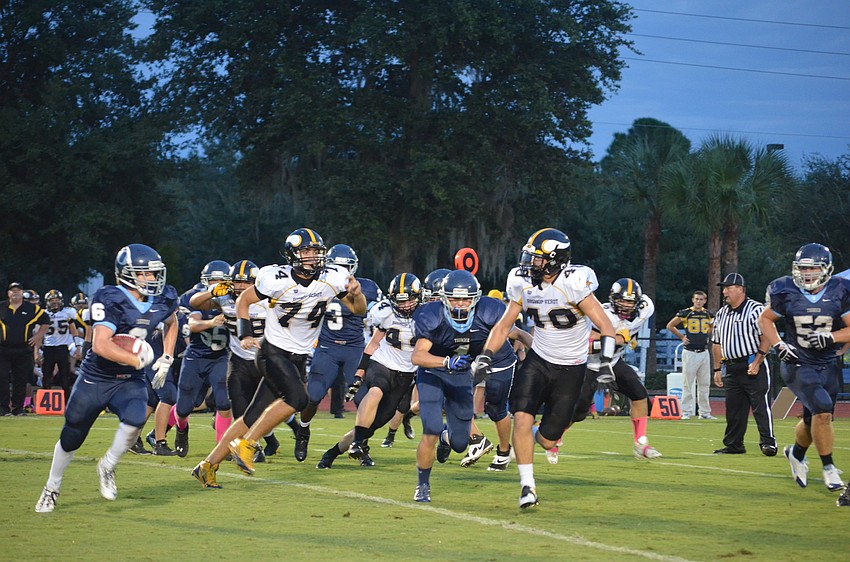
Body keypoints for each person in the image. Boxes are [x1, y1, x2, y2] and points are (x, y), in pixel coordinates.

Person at [192, 228, 365, 487]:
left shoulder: (333, 277)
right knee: (299, 399)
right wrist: (245, 333)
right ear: (292, 255)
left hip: (298, 356)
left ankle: (207, 466)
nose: (312, 256)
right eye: (306, 251)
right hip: (273, 352)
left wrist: (357, 294)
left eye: (316, 251)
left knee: (251, 416)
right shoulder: (275, 278)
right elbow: (243, 301)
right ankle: (248, 444)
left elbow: (358, 310)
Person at [34, 244, 178, 512]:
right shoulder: (109, 298)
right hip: (97, 376)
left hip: (130, 378)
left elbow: (172, 322)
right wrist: (138, 360)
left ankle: (108, 465)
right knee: (73, 435)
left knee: (135, 419)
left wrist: (167, 357)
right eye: (145, 273)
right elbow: (101, 344)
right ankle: (52, 487)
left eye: (154, 273)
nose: (152, 278)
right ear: (127, 274)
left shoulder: (164, 297)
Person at [478, 228, 616, 509]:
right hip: (539, 360)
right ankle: (527, 486)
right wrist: (485, 356)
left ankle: (536, 438)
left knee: (548, 440)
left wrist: (605, 363)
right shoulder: (522, 283)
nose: (530, 263)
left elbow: (606, 326)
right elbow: (504, 326)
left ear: (555, 260)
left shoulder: (574, 282)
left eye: (538, 258)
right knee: (521, 416)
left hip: (571, 367)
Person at [410, 269, 531, 503]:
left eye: (466, 299)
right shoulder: (431, 315)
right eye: (455, 298)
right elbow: (418, 356)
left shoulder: (489, 312)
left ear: (476, 298)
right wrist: (446, 362)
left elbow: (515, 333)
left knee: (459, 443)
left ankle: (446, 437)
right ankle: (422, 485)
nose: (460, 304)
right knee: (431, 429)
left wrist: (537, 355)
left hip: (461, 377)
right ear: (444, 297)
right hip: (433, 373)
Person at [758, 243, 850, 493]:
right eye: (803, 268)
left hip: (828, 363)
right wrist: (778, 344)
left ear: (827, 269)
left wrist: (832, 337)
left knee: (814, 419)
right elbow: (765, 318)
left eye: (813, 268)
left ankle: (796, 454)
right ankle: (829, 467)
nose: (807, 274)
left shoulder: (841, 289)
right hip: (797, 362)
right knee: (822, 409)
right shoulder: (784, 289)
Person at [316, 272, 421, 469]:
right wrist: (360, 371)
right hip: (382, 363)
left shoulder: (427, 316)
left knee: (374, 424)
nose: (405, 305)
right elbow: (373, 343)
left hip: (405, 374)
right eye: (401, 301)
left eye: (409, 300)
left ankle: (332, 453)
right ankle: (357, 443)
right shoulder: (386, 312)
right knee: (376, 390)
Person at [296, 244, 381, 460]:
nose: (342, 272)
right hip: (327, 348)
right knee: (313, 396)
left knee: (363, 400)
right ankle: (303, 431)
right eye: (338, 267)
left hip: (354, 349)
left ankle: (360, 445)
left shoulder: (367, 287)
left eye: (346, 267)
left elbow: (380, 315)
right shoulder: (319, 284)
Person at [569, 278, 662, 460]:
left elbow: (631, 330)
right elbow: (586, 346)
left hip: (614, 361)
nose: (626, 306)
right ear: (613, 299)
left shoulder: (646, 307)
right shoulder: (600, 313)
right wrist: (615, 339)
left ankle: (641, 443)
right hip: (590, 364)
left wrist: (626, 338)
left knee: (639, 395)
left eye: (630, 302)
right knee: (579, 411)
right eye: (622, 301)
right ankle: (554, 438)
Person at [380, 268, 449, 448]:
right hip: (410, 362)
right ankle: (391, 434)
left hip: (431, 361)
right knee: (404, 403)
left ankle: (437, 433)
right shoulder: (421, 313)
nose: (435, 302)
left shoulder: (446, 315)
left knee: (437, 402)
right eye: (433, 297)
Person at [710, 273, 776, 456]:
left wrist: (757, 361)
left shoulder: (756, 309)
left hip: (752, 363)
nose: (724, 292)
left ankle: (768, 442)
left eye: (728, 288)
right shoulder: (721, 313)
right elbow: (716, 343)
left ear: (740, 289)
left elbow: (767, 338)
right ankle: (734, 444)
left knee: (760, 405)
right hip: (731, 367)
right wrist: (717, 369)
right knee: (733, 409)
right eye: (723, 288)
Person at [172, 260, 233, 457]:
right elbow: (193, 324)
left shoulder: (233, 298)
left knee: (224, 402)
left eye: (222, 281)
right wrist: (212, 322)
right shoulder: (196, 297)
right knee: (184, 408)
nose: (217, 285)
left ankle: (222, 448)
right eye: (213, 280)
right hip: (195, 356)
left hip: (221, 356)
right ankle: (181, 429)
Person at [1, 282, 50, 415]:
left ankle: (18, 408)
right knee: (2, 378)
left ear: (22, 293)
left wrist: (38, 336)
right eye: (13, 291)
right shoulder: (2, 307)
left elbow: (46, 321)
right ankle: (3, 408)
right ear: (8, 293)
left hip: (23, 349)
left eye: (18, 290)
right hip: (3, 349)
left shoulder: (31, 308)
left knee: (21, 380)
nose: (15, 293)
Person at [666, 290, 715, 420]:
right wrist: (682, 337)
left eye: (701, 299)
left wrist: (708, 335)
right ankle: (686, 411)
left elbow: (711, 327)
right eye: (696, 299)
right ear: (693, 300)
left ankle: (704, 412)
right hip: (690, 352)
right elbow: (670, 325)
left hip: (704, 351)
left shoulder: (708, 314)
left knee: (704, 384)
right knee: (688, 383)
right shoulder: (686, 313)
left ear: (705, 301)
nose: (698, 301)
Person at [40, 290, 84, 400]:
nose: (55, 302)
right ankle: (46, 403)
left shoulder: (67, 313)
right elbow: (39, 333)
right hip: (48, 348)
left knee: (65, 378)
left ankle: (67, 402)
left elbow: (74, 331)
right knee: (47, 377)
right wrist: (36, 351)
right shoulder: (43, 314)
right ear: (47, 302)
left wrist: (78, 346)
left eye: (57, 300)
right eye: (52, 300)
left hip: (63, 347)